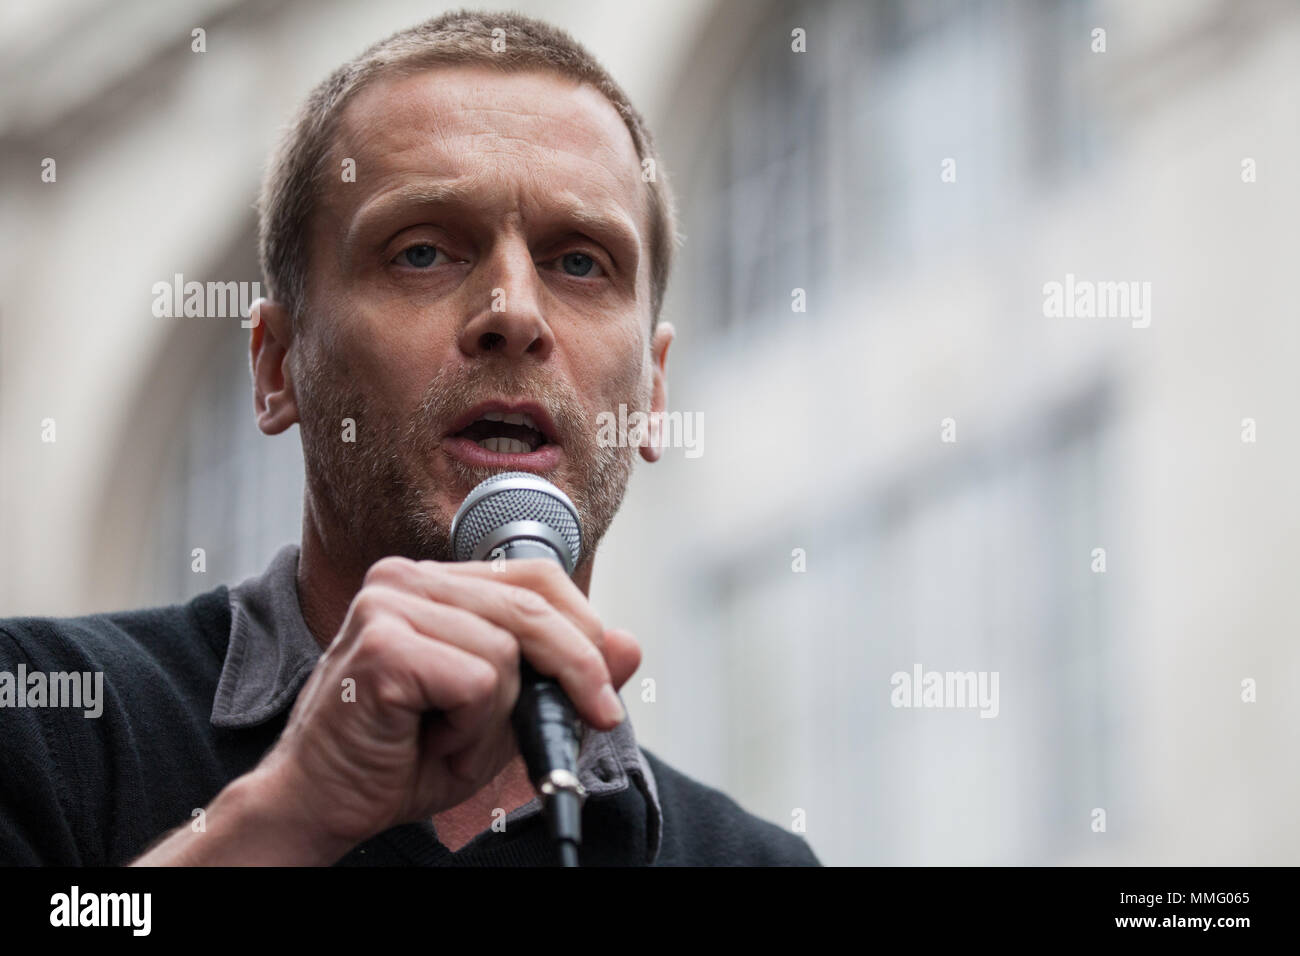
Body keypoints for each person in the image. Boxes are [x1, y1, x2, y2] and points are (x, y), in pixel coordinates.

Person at [0, 9, 819, 867]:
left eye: (579, 263)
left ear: (653, 390)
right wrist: (286, 815)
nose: (514, 313)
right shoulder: (47, 715)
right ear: (277, 366)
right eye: (424, 253)